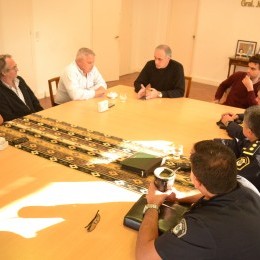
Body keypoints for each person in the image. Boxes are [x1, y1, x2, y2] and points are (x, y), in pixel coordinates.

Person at [136, 140, 260, 259]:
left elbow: (145, 256)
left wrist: (152, 205)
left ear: (196, 181)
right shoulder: (243, 183)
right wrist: (181, 197)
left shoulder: (202, 227)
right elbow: (212, 192)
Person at [216, 105, 260, 191]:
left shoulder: (253, 156)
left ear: (249, 132)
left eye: (243, 124)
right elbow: (238, 145)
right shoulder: (254, 140)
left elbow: (231, 182)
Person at [0, 54, 43, 122]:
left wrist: (43, 115)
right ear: (4, 72)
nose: (17, 69)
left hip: (36, 119)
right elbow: (9, 117)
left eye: (16, 66)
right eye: (14, 68)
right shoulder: (1, 92)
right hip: (22, 125)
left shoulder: (20, 80)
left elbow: (34, 101)